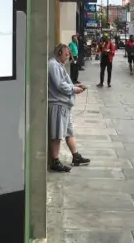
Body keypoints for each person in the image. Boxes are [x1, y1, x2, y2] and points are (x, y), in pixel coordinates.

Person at [48, 43, 91, 172]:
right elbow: (60, 85)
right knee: (57, 134)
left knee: (69, 131)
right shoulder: (53, 65)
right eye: (66, 54)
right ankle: (55, 161)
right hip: (58, 104)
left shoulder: (58, 65)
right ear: (59, 53)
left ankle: (75, 155)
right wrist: (74, 89)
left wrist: (76, 86)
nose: (68, 57)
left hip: (65, 105)